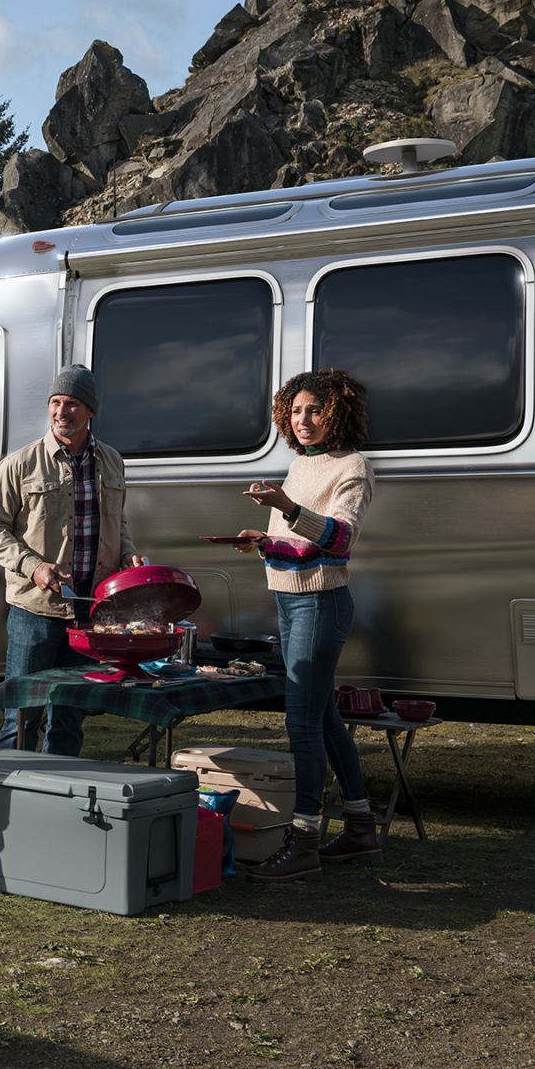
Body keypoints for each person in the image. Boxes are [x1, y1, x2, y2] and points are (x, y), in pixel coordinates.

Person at [232, 368, 376, 882]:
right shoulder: (298, 466)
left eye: (314, 409)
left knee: (301, 721)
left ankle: (304, 840)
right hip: (291, 602)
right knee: (323, 717)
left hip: (321, 604)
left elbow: (339, 540)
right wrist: (263, 540)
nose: (304, 419)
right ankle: (360, 826)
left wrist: (286, 507)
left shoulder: (352, 467)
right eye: (295, 411)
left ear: (334, 412)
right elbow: (299, 546)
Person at [0, 365, 143, 756]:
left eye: (71, 404)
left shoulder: (113, 461)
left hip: (90, 610)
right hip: (35, 611)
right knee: (22, 713)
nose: (61, 411)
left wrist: (127, 552)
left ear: (90, 411)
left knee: (70, 713)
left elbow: (117, 521)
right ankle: (11, 793)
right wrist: (34, 566)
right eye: (55, 402)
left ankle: (59, 797)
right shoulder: (20, 464)